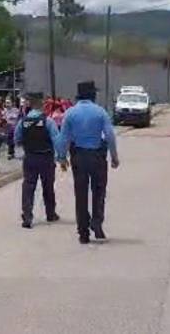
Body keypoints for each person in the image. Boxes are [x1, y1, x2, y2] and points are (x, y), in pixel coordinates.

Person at [59, 81, 119, 244]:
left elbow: (63, 138)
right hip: (97, 156)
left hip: (78, 155)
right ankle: (97, 222)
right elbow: (109, 136)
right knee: (99, 191)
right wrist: (114, 156)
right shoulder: (100, 112)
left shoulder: (70, 113)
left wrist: (62, 157)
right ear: (93, 95)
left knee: (81, 194)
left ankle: (83, 232)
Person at [14, 92, 63, 229]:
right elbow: (56, 140)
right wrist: (61, 157)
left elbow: (16, 139)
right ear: (41, 105)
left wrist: (22, 150)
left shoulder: (23, 122)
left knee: (28, 187)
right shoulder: (48, 121)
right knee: (48, 187)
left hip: (30, 157)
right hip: (46, 158)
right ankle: (50, 213)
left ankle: (27, 216)